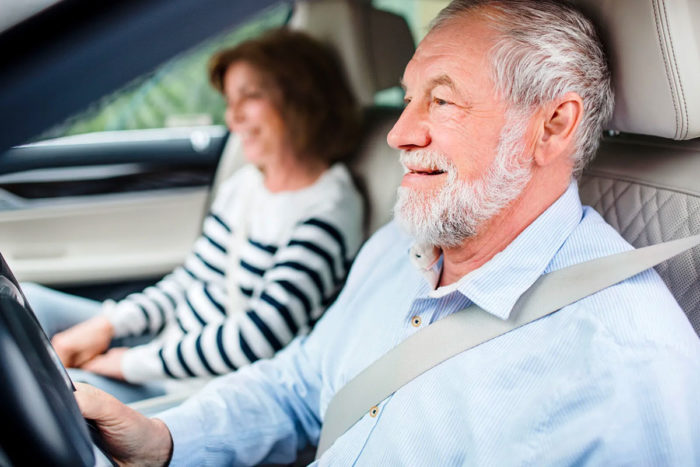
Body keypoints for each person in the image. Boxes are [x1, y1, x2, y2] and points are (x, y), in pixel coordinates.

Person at [75, 0, 700, 464]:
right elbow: (300, 386)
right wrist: (165, 441)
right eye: (407, 100)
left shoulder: (626, 369)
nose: (399, 133)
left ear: (553, 126)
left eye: (443, 102)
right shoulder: (397, 248)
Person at [25, 29, 364, 403]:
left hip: (205, 388)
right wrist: (108, 325)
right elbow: (191, 279)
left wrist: (128, 364)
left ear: (303, 99)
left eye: (250, 96)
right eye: (229, 100)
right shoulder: (247, 183)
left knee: (48, 390)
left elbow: (258, 338)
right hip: (169, 349)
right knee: (24, 301)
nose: (232, 118)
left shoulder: (328, 211)